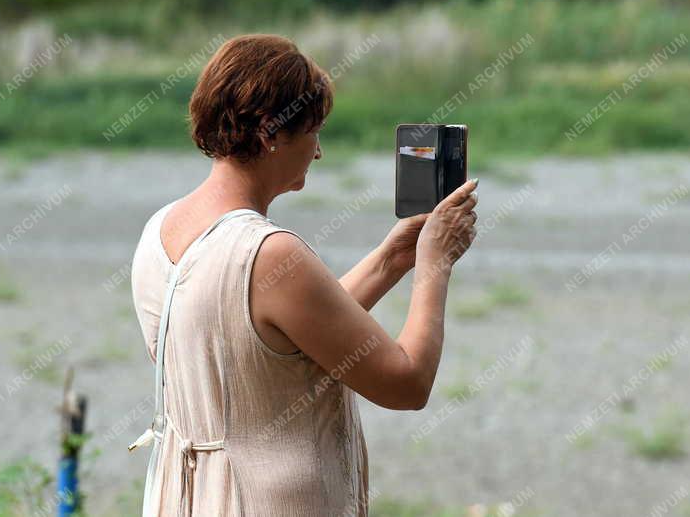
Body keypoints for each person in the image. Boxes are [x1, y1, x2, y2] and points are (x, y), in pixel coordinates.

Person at [128, 34, 478, 516]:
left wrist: (392, 259)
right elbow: (407, 384)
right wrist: (437, 263)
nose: (319, 152)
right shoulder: (268, 255)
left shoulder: (160, 228)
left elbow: (282, 340)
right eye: (314, 131)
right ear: (272, 135)